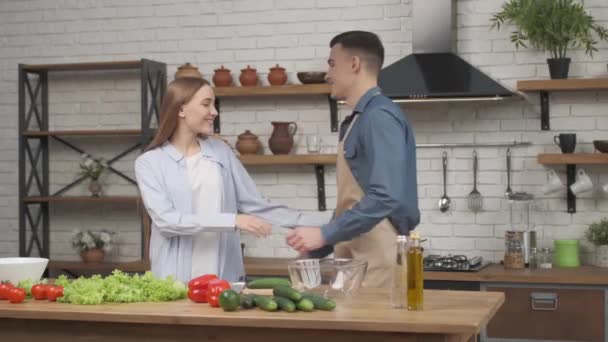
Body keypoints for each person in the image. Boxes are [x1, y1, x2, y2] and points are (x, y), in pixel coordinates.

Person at [135, 77, 326, 283]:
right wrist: (233, 220)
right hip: (173, 281)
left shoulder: (221, 152)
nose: (214, 112)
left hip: (224, 278)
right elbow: (167, 221)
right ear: (181, 109)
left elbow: (255, 204)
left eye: (214, 104)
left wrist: (328, 224)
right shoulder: (150, 163)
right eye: (206, 104)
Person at [287, 31, 420, 288]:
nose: (327, 73)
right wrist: (319, 245)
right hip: (356, 257)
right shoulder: (358, 119)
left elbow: (384, 197)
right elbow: (354, 200)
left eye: (332, 63)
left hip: (379, 257)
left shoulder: (379, 117)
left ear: (355, 64)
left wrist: (324, 233)